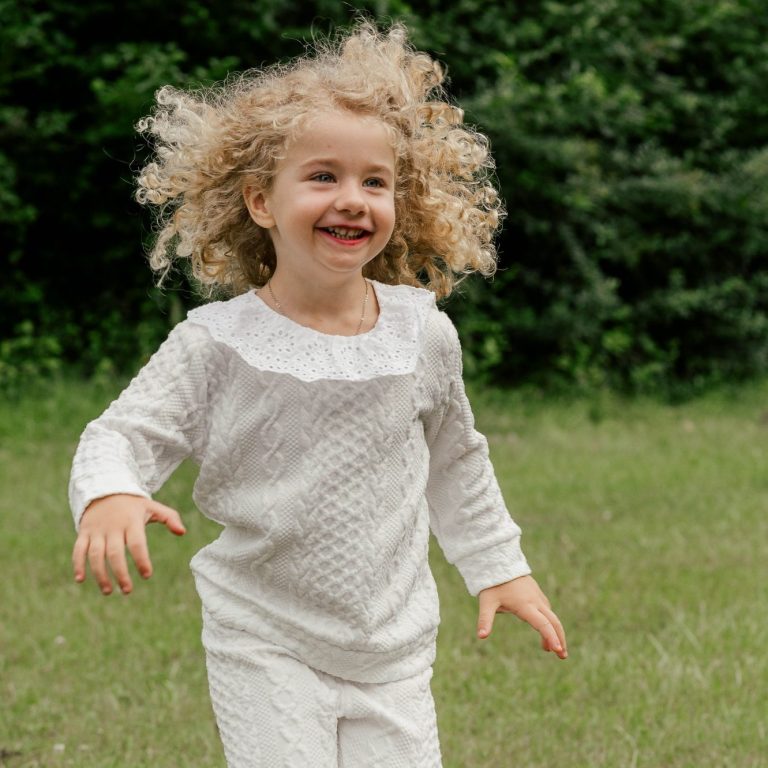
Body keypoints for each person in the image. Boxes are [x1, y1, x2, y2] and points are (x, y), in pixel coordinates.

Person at [69, 20, 567, 768]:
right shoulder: (216, 342)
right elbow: (120, 436)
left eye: (375, 181)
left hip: (391, 645)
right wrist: (110, 493)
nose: (353, 199)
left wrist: (500, 567)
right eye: (323, 176)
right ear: (261, 201)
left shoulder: (421, 335)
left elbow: (457, 460)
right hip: (262, 633)